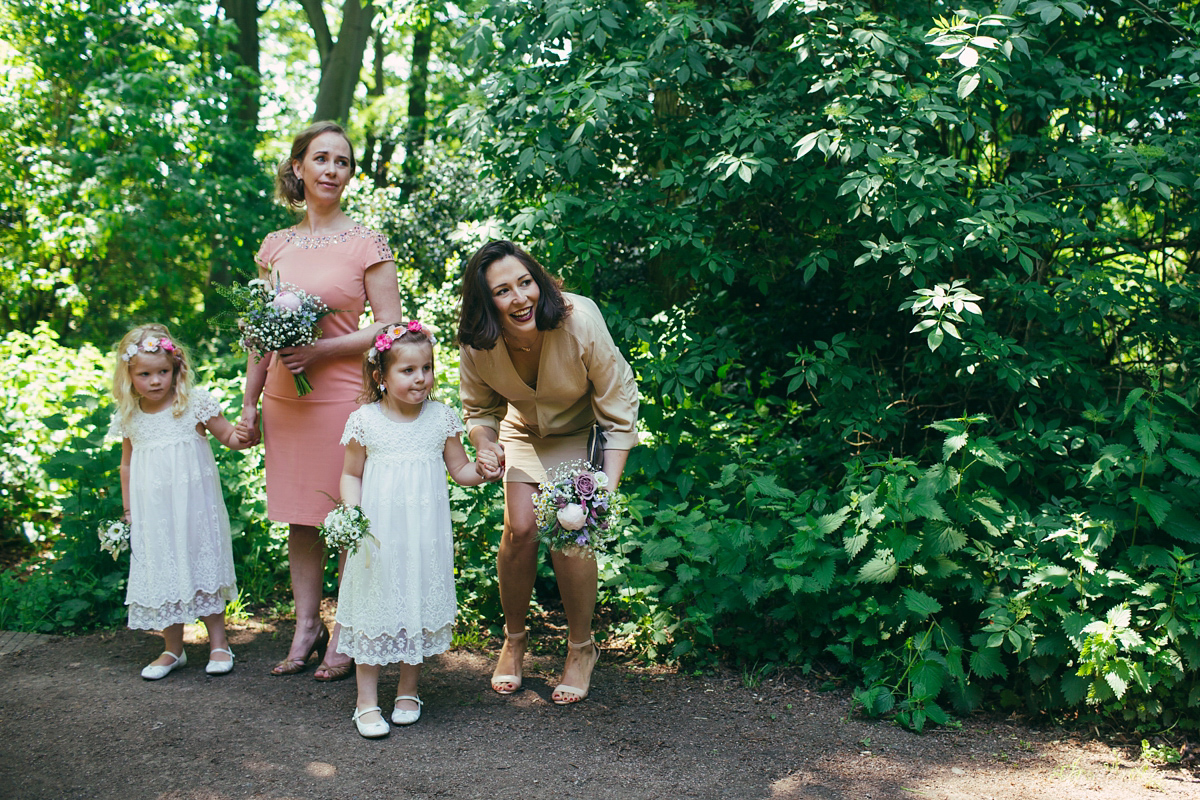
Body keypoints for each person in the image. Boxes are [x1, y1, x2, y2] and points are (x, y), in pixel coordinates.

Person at [235, 121, 404, 681]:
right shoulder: (275, 246)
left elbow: (390, 327)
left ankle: (349, 629)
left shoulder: (368, 243)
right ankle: (307, 627)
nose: (333, 170)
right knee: (301, 520)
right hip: (286, 400)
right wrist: (249, 404)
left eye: (344, 162)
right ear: (299, 168)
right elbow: (259, 333)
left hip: (341, 397)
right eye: (322, 159)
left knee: (345, 513)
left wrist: (324, 349)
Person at [457, 240, 639, 705]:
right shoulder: (478, 341)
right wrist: (484, 444)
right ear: (485, 302)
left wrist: (602, 494)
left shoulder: (580, 319)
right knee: (519, 530)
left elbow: (618, 410)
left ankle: (582, 648)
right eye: (503, 291)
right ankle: (514, 640)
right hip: (523, 430)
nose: (520, 298)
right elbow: (479, 409)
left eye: (525, 282)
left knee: (569, 536)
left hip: (583, 430)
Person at [334, 321, 501, 738]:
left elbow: (459, 469)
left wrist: (483, 470)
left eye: (426, 368)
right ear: (381, 377)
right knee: (374, 605)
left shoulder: (441, 419)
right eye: (408, 370)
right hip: (377, 536)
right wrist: (352, 514)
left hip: (422, 535)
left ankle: (409, 689)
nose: (420, 378)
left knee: (415, 599)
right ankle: (366, 700)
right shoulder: (365, 421)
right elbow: (351, 475)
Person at [109, 323, 249, 679]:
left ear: (176, 370)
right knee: (164, 566)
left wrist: (247, 432)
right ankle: (173, 649)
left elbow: (229, 437)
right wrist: (129, 510)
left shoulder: (193, 404)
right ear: (129, 374)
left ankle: (219, 643)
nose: (155, 380)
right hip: (154, 511)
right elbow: (126, 465)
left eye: (163, 372)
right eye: (145, 374)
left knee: (202, 560)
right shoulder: (130, 415)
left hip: (195, 507)